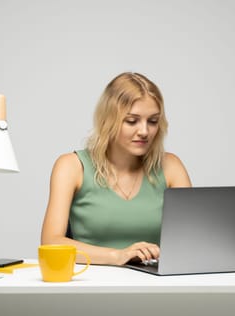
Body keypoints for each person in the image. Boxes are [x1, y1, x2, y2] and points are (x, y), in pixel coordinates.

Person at [41, 72, 191, 265]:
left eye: (153, 121)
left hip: (155, 284)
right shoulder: (71, 166)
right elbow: (51, 243)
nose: (144, 131)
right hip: (91, 283)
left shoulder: (171, 167)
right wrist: (118, 256)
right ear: (108, 120)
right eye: (131, 121)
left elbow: (190, 241)